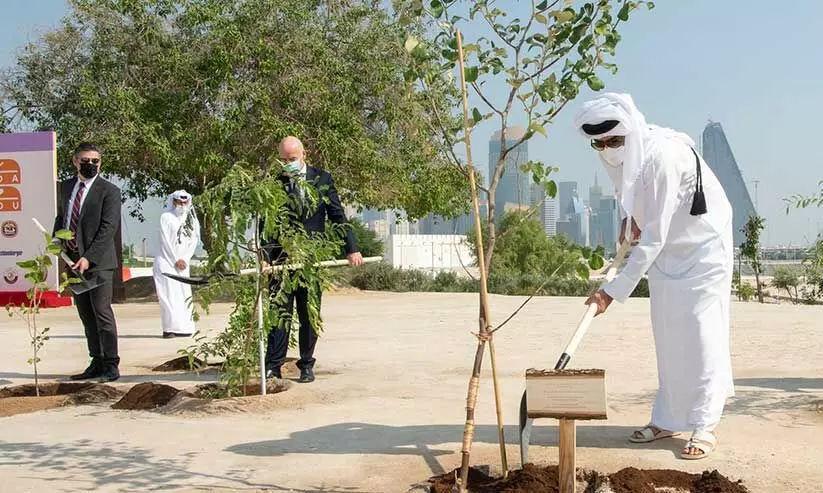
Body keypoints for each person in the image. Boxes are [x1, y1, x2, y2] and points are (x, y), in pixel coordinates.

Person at [574, 93, 735, 460]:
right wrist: (628, 220)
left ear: (629, 132)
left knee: (702, 333)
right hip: (667, 247)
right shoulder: (616, 154)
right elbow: (629, 194)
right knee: (668, 334)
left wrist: (610, 292)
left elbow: (654, 236)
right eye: (599, 143)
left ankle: (705, 424)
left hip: (703, 248)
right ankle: (667, 419)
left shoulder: (663, 156)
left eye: (614, 140)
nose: (607, 149)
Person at [261, 136, 363, 383]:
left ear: (304, 155)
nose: (288, 164)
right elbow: (265, 223)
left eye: (292, 159)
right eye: (284, 160)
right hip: (280, 259)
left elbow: (337, 215)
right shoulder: (274, 182)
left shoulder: (322, 179)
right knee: (279, 313)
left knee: (309, 313)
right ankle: (273, 366)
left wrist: (352, 249)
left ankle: (306, 364)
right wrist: (264, 257)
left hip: (311, 259)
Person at [53, 142, 122, 383]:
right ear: (75, 161)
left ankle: (111, 364)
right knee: (85, 314)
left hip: (99, 263)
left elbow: (108, 228)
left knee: (101, 311)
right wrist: (57, 239)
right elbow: (63, 217)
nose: (91, 165)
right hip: (73, 261)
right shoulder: (67, 187)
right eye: (85, 161)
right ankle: (97, 361)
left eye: (95, 161)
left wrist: (89, 257)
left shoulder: (109, 191)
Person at [152, 190, 201, 338]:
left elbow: (194, 240)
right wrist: (175, 260)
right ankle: (169, 329)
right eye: (179, 202)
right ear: (174, 202)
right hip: (166, 262)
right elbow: (165, 241)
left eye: (185, 202)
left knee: (183, 295)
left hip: (183, 265)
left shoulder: (191, 220)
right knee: (168, 296)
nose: (182, 205)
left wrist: (185, 259)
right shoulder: (166, 217)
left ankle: (184, 329)